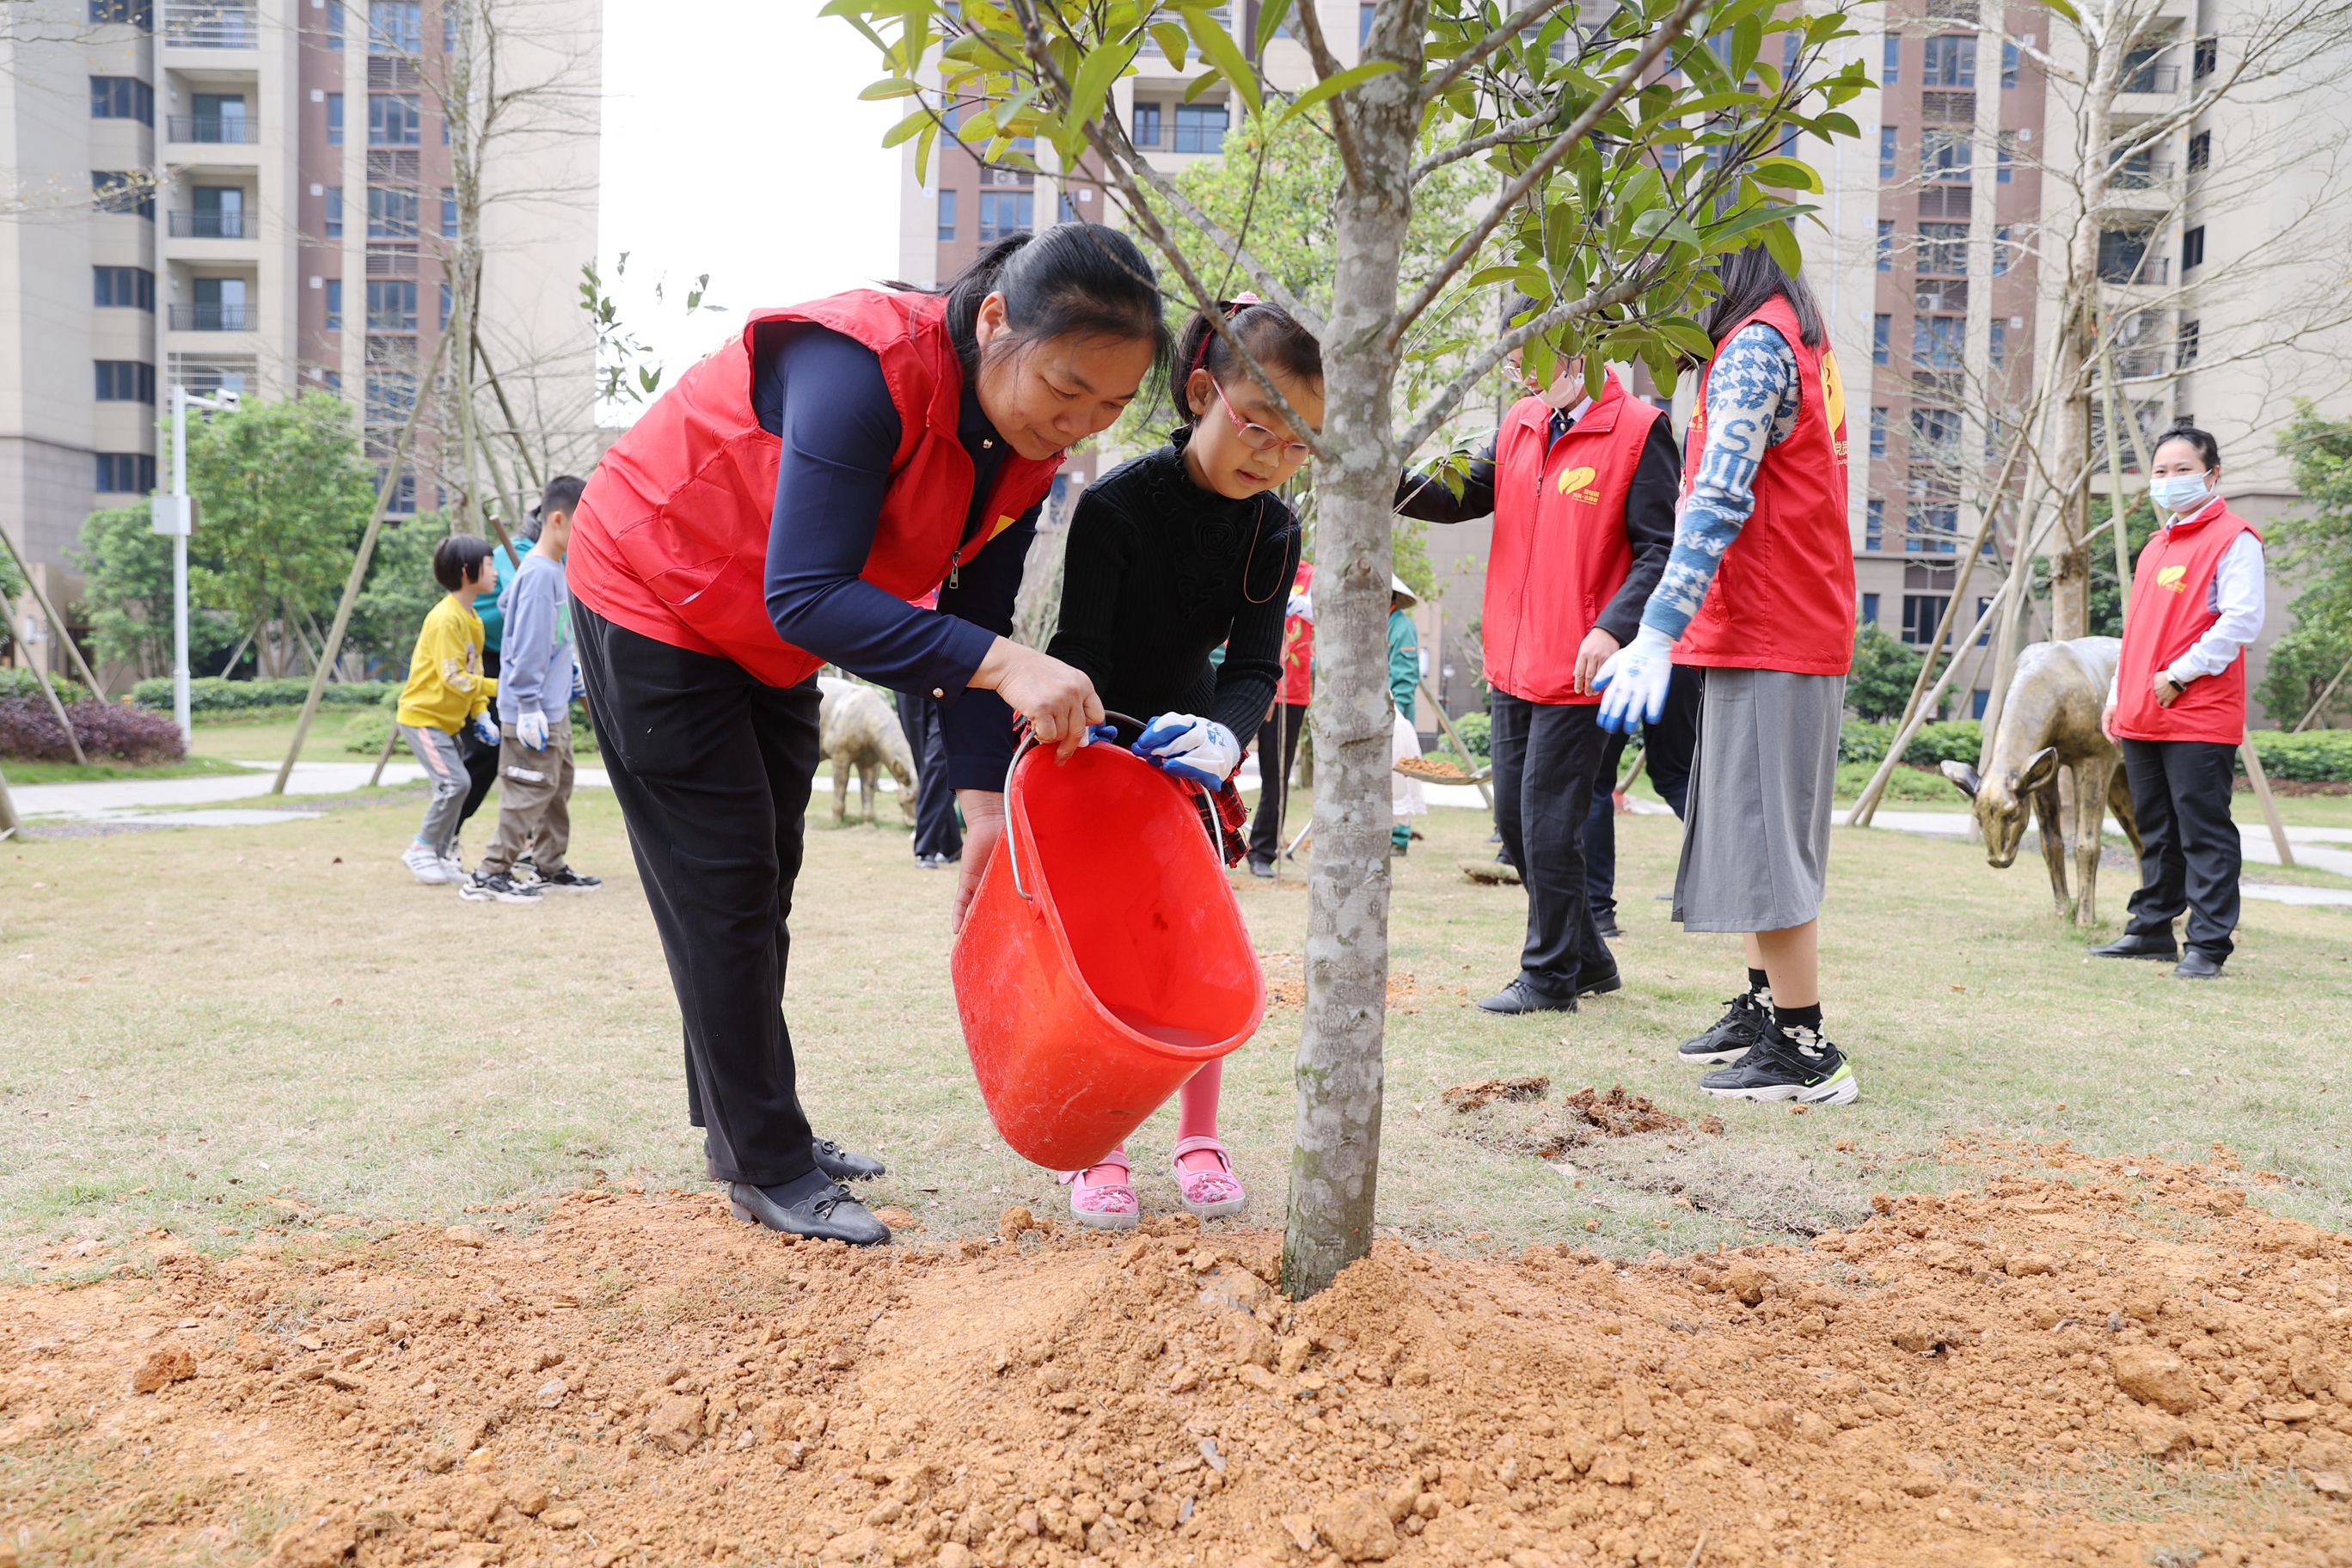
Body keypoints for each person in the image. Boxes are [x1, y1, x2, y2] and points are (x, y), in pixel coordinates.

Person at [567, 225, 1166, 1245]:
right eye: (1067, 388)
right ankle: (769, 1161)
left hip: (766, 638)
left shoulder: (1023, 452)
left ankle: (738, 1123)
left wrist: (983, 803)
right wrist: (1014, 665)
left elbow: (967, 619)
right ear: (993, 323)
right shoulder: (861, 368)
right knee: (724, 886)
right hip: (657, 591)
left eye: (1110, 409)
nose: (1079, 423)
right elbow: (810, 593)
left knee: (765, 878)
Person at [1041, 295, 1320, 1228]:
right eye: (1258, 423)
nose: (1272, 454)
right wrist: (1113, 750)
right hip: (1093, 751)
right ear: (1203, 391)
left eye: (1299, 442)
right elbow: (1081, 650)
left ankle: (1199, 1140)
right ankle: (1099, 1147)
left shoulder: (1272, 530)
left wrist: (1221, 739)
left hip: (1191, 766)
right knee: (1099, 957)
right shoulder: (1113, 506)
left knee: (1192, 952)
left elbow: (1253, 667)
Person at [1594, 246, 1861, 1106]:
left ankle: (1803, 1047)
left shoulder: (1755, 348)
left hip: (1775, 627)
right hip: (1765, 623)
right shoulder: (1786, 337)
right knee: (1748, 832)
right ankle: (1763, 1010)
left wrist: (1655, 629)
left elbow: (1718, 497)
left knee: (1767, 840)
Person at [1396, 327, 1679, 1007]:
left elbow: (1661, 549)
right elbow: (1462, 496)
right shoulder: (1522, 422)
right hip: (1512, 660)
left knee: (1552, 821)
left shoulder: (1641, 431)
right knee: (1520, 828)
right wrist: (1382, 477)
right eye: (1514, 366)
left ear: (1575, 354)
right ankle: (1589, 959)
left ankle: (1549, 976)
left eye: (1531, 365)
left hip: (1583, 667)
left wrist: (1614, 628)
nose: (1521, 379)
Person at [2091, 425, 2264, 980]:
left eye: (2183, 470)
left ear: (2213, 474)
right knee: (2155, 830)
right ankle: (2151, 930)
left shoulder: (2235, 539)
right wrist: (2118, 695)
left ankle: (2208, 945)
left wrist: (2180, 674)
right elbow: (2137, 630)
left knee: (2204, 830)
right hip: (2143, 711)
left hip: (2198, 713)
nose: (2170, 481)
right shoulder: (2156, 546)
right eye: (2160, 472)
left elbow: (2241, 621)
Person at [466, 475, 602, 903]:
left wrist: (571, 669)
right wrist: (526, 706)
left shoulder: (548, 570)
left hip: (553, 704)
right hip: (533, 710)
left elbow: (523, 618)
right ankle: (490, 873)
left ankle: (549, 863)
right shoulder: (542, 575)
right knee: (528, 790)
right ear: (558, 519)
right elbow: (526, 646)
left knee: (557, 786)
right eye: (585, 524)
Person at [395, 534, 500, 886]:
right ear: (468, 571)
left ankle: (439, 855)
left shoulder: (473, 619)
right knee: (455, 783)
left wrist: (482, 711)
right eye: (489, 565)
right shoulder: (445, 618)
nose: (496, 572)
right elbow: (454, 677)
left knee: (459, 785)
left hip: (448, 722)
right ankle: (421, 849)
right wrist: (505, 689)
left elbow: (475, 674)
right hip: (423, 718)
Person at [1581, 667, 1699, 937]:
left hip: (1622, 662)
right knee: (1678, 777)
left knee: (1595, 781)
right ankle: (1740, 881)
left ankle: (1597, 911)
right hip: (1679, 656)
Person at [1246, 560, 1314, 877]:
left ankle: (1262, 852)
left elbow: (1326, 613)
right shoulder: (1255, 563)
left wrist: (1301, 604)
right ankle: (1212, 841)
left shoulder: (1311, 576)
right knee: (1216, 764)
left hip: (1291, 691)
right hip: (1247, 679)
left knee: (1275, 777)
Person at [896, 686, 962, 868]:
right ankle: (951, 844)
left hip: (948, 679)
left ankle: (925, 848)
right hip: (907, 680)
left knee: (938, 761)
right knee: (925, 768)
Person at [1389, 579, 1425, 855]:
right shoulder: (1376, 624)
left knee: (1400, 771)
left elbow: (1404, 679)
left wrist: (1394, 716)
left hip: (1396, 712)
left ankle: (1399, 837)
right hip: (1373, 711)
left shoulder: (1401, 627)